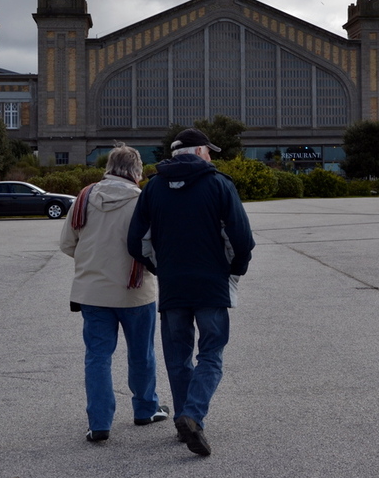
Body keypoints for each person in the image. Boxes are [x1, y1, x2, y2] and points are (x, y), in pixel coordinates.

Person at [127, 128, 254, 456]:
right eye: (208, 151)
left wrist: (160, 268)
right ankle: (193, 416)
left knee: (178, 357)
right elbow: (242, 237)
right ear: (198, 152)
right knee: (211, 353)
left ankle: (186, 422)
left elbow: (134, 241)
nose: (211, 157)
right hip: (211, 286)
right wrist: (236, 268)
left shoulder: (153, 187)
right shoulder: (219, 184)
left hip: (173, 288)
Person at [60, 144, 169, 443]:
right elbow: (155, 246)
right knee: (142, 354)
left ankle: (99, 423)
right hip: (135, 291)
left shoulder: (84, 197)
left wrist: (94, 263)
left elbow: (67, 244)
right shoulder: (143, 201)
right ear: (136, 171)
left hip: (93, 293)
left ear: (108, 167)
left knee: (97, 357)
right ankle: (146, 409)